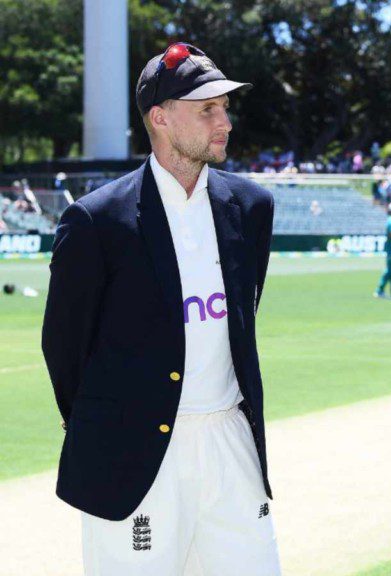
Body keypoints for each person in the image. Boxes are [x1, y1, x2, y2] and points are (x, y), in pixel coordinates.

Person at [41, 42, 281, 574]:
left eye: (225, 107)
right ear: (160, 118)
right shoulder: (95, 222)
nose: (225, 121)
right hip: (133, 452)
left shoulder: (252, 207)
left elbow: (244, 318)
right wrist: (113, 426)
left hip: (229, 441)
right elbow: (63, 348)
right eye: (207, 109)